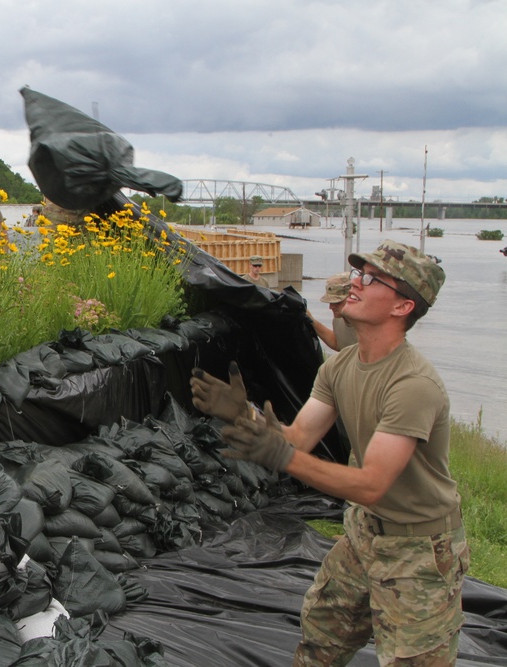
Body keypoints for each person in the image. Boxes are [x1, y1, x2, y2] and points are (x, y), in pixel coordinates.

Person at [191, 240, 468, 665]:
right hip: (364, 531)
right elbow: (298, 437)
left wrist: (281, 457)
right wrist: (244, 416)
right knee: (321, 634)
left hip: (419, 549)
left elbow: (372, 483)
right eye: (358, 274)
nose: (355, 284)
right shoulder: (340, 366)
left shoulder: (413, 386)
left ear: (402, 307)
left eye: (372, 279)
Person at [307, 272, 357, 351]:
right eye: (331, 302)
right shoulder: (338, 320)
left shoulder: (366, 323)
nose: (331, 307)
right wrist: (310, 319)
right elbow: (338, 344)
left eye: (337, 302)